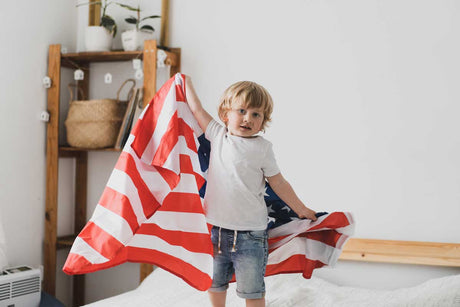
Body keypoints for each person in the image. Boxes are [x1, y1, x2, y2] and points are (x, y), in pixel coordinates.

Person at [185, 76, 317, 307]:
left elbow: (279, 183)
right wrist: (184, 81)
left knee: (252, 290)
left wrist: (301, 209)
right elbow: (196, 109)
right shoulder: (218, 136)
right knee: (214, 283)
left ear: (263, 121)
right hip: (217, 232)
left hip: (251, 236)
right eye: (242, 111)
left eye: (256, 114)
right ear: (226, 114)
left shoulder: (262, 148)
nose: (248, 118)